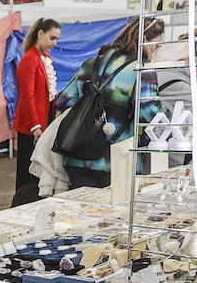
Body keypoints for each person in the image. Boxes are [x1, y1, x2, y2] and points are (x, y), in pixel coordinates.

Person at [55, 17, 166, 190]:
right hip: (115, 159)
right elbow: (151, 113)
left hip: (78, 153)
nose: (155, 50)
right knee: (112, 215)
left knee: (80, 212)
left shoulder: (91, 63)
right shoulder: (141, 69)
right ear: (144, 40)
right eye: (156, 44)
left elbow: (63, 101)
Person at [11, 18, 61, 206]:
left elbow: (49, 95)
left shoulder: (46, 59)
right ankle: (20, 205)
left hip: (44, 123)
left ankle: (33, 204)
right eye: (52, 38)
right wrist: (35, 126)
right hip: (32, 126)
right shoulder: (29, 59)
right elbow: (27, 96)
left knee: (40, 169)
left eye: (57, 39)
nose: (54, 43)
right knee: (27, 169)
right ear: (40, 34)